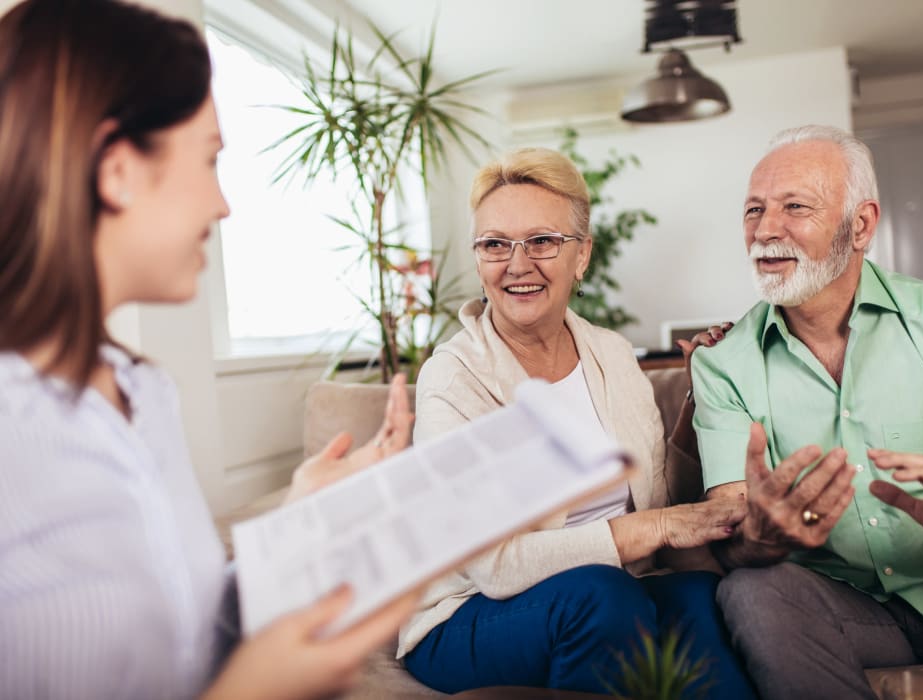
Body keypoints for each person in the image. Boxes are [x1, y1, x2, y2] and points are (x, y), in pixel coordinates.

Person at [0, 1, 419, 698]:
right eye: (209, 159)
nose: (223, 204)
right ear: (118, 168)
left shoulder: (142, 391)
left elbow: (182, 623)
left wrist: (299, 514)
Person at [399, 148, 756, 698]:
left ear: (581, 255)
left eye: (541, 241)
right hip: (468, 615)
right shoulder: (453, 378)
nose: (517, 264)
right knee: (601, 596)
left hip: (619, 592)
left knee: (696, 594)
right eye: (495, 244)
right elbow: (494, 568)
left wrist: (697, 395)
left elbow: (659, 498)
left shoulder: (610, 354)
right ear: (478, 259)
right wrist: (656, 530)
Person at [691, 124, 923, 699]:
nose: (765, 230)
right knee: (752, 591)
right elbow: (731, 533)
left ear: (860, 225)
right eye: (753, 210)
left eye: (795, 207)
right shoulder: (723, 365)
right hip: (851, 608)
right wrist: (761, 538)